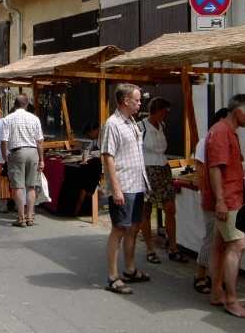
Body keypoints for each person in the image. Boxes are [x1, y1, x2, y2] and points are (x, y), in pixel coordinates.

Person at [206, 94, 245, 318]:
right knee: (237, 244)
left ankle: (217, 292)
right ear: (239, 111)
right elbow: (215, 168)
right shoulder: (222, 131)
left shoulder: (225, 130)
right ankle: (231, 299)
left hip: (229, 197)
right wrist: (220, 201)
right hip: (228, 198)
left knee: (220, 245)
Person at [101, 83, 150, 295]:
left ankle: (130, 269)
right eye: (137, 100)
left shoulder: (131, 121)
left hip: (137, 183)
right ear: (125, 101)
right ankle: (113, 276)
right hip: (124, 185)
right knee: (119, 229)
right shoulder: (112, 124)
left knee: (133, 227)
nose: (140, 103)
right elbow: (107, 157)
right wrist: (117, 189)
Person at [138, 97, 188, 264]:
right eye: (164, 111)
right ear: (157, 111)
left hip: (163, 167)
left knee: (170, 208)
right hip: (147, 169)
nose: (166, 115)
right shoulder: (141, 127)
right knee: (146, 209)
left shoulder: (162, 126)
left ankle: (173, 246)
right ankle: (150, 249)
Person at [193, 107, 229, 294]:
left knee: (221, 238)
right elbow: (200, 171)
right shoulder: (204, 142)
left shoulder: (228, 140)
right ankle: (200, 274)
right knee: (211, 236)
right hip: (212, 197)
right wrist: (209, 196)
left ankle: (216, 277)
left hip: (225, 197)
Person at [1, 94, 44, 228]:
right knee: (31, 186)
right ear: (26, 105)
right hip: (33, 152)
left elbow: (4, 141)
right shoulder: (34, 118)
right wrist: (42, 159)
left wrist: (5, 156)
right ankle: (30, 216)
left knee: (18, 186)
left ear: (14, 104)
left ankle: (21, 218)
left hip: (17, 152)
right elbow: (40, 141)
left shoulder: (8, 119)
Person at [73, 121, 102, 216]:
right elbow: (87, 149)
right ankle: (79, 208)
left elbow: (103, 152)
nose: (88, 136)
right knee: (84, 172)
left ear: (95, 130)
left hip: (101, 166)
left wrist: (92, 155)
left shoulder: (104, 137)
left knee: (86, 179)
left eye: (89, 133)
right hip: (94, 165)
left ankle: (82, 207)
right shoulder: (94, 140)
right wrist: (85, 156)